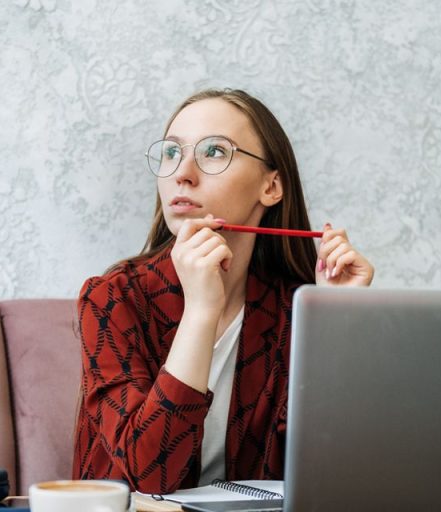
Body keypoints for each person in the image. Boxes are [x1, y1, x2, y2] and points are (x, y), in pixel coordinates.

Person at [72, 88, 375, 494]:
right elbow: (150, 476)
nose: (182, 173)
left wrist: (334, 319)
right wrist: (201, 310)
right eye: (171, 153)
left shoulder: (293, 310)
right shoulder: (111, 299)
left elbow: (328, 473)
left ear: (271, 186)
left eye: (214, 151)